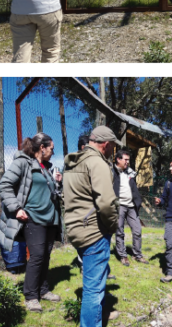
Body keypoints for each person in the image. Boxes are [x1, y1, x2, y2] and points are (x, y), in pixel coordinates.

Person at [0, 133, 63, 312]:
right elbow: (4, 185)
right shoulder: (22, 162)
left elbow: (48, 192)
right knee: (37, 257)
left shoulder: (46, 167)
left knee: (46, 255)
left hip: (50, 219)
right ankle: (31, 296)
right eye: (51, 148)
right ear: (42, 147)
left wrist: (57, 183)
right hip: (33, 217)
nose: (53, 152)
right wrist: (16, 208)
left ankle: (43, 290)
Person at [63, 126, 120, 326]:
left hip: (76, 227)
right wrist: (113, 225)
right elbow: (105, 203)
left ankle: (99, 314)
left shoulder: (73, 162)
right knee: (93, 289)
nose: (114, 149)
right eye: (113, 145)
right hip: (94, 231)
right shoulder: (98, 164)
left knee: (93, 282)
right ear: (106, 144)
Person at [112, 149, 146, 266]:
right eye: (125, 160)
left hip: (131, 206)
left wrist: (138, 201)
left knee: (137, 230)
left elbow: (134, 189)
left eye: (128, 160)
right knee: (119, 231)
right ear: (118, 159)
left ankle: (137, 255)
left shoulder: (130, 172)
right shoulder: (112, 172)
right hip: (119, 205)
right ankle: (123, 256)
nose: (127, 162)